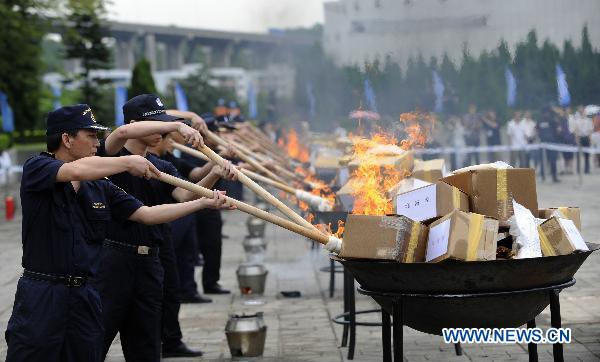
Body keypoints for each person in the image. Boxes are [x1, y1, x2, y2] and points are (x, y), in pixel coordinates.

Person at [5, 104, 227, 362]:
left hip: (85, 294)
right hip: (44, 292)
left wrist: (203, 202)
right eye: (90, 135)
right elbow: (74, 170)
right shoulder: (38, 167)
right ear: (66, 139)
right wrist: (126, 161)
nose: (96, 142)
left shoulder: (100, 186)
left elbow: (146, 214)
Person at [94, 94, 235, 361]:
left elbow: (184, 196)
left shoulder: (162, 166)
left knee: (147, 343)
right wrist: (175, 125)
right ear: (138, 124)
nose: (161, 131)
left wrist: (216, 171)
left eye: (164, 124)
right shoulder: (111, 157)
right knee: (96, 338)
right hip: (114, 261)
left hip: (150, 262)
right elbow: (122, 131)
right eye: (155, 125)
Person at [537, 105, 561, 182]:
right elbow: (557, 130)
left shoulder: (539, 120)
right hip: (551, 143)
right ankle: (554, 177)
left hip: (543, 143)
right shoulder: (552, 119)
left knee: (543, 160)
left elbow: (537, 130)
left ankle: (544, 176)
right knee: (552, 160)